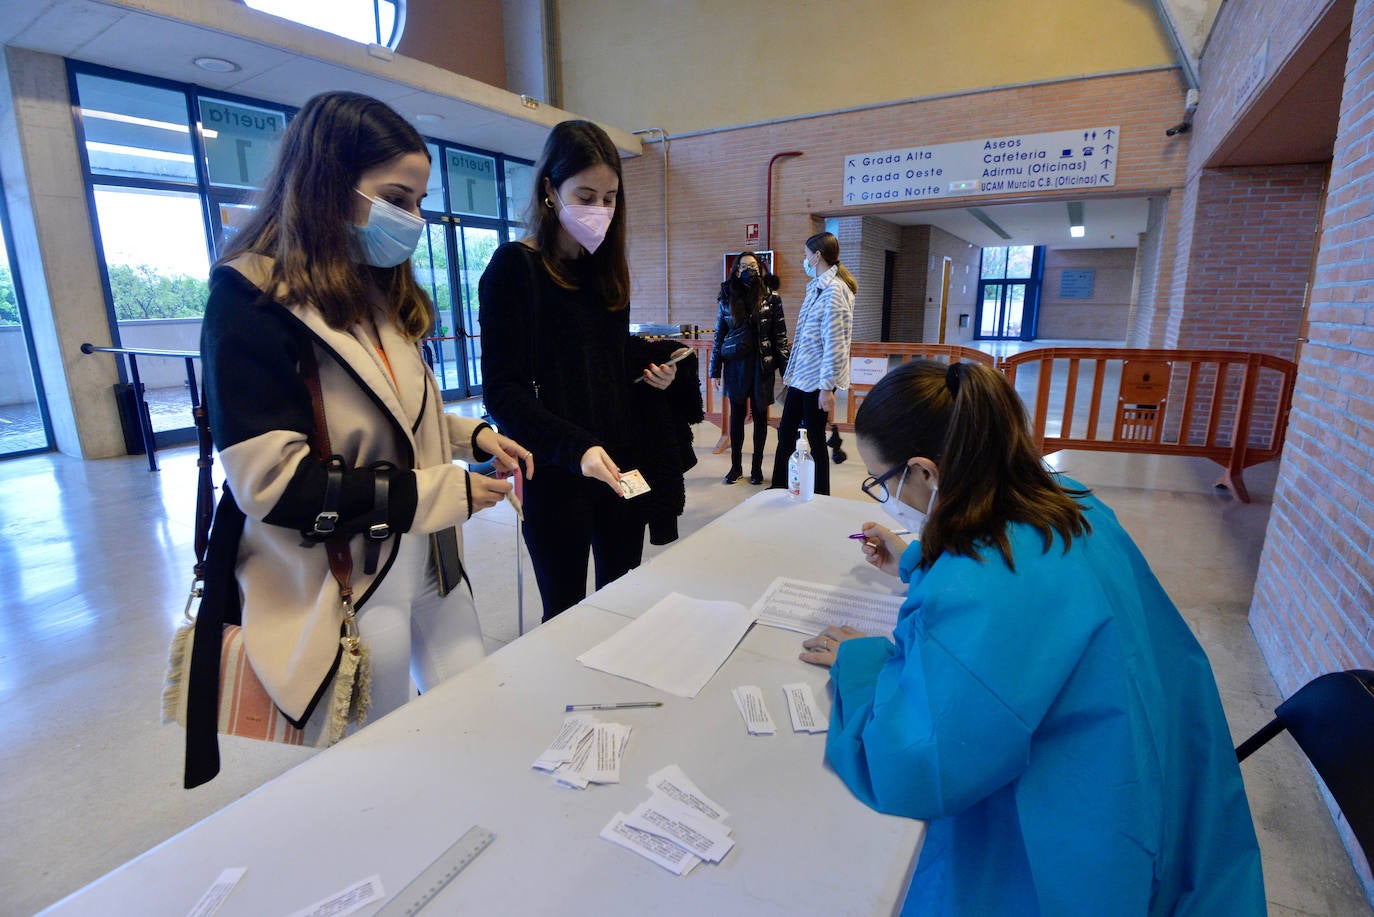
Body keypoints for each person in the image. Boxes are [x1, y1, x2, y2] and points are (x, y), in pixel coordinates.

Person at [798, 360, 1265, 915]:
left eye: (883, 482)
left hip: (1084, 845)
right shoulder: (1066, 498)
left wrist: (862, 663)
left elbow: (920, 762)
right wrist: (921, 560)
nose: (885, 497)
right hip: (1172, 795)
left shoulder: (979, 585)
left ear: (925, 473)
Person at [197, 91, 532, 753]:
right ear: (329, 186)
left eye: (418, 201)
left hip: (433, 559)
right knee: (377, 763)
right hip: (349, 577)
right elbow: (274, 485)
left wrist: (473, 436)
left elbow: (398, 412)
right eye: (398, 197)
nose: (414, 218)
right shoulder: (251, 300)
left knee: (478, 721)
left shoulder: (374, 288)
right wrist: (439, 491)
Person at [478, 120, 691, 622]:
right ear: (550, 190)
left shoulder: (605, 269)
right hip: (556, 469)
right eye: (587, 195)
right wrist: (577, 448)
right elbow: (503, 392)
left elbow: (605, 357)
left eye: (610, 198)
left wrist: (655, 371)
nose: (600, 211)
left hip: (621, 464)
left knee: (621, 605)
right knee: (567, 615)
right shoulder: (514, 268)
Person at [769, 231, 854, 494]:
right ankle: (780, 485)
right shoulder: (817, 287)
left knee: (815, 439)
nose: (803, 260)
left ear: (817, 256)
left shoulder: (835, 291)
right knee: (786, 432)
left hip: (818, 381)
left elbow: (835, 344)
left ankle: (820, 494)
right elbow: (805, 336)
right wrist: (791, 371)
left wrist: (827, 388)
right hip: (802, 377)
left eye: (806, 255)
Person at [710, 252, 789, 485]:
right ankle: (735, 467)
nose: (749, 270)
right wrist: (714, 369)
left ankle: (756, 468)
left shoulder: (772, 297)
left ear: (760, 268)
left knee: (761, 417)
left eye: (753, 265)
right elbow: (719, 335)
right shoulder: (727, 298)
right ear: (735, 270)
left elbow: (780, 336)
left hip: (762, 365)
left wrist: (786, 370)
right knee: (736, 417)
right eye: (744, 266)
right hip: (735, 365)